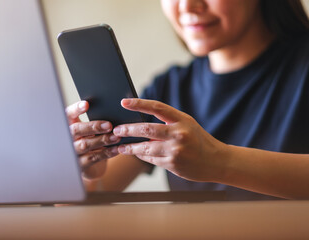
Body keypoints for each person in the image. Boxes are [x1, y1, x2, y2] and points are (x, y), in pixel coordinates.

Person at [66, 0, 309, 200]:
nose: (187, 6)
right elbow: (83, 199)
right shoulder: (168, 89)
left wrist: (220, 161)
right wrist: (88, 170)